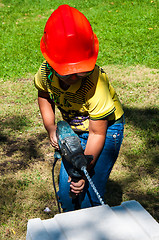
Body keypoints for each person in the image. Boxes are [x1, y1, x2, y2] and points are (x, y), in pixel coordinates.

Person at [34, 4, 125, 212]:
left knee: (89, 195)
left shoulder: (96, 85)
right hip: (75, 130)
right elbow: (43, 94)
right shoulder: (46, 72)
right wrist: (50, 127)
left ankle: (93, 221)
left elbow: (96, 133)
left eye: (81, 71)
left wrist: (83, 172)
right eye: (68, 72)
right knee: (68, 192)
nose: (75, 77)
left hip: (104, 130)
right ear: (52, 62)